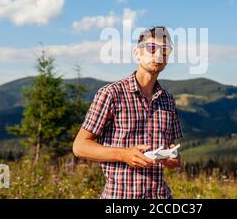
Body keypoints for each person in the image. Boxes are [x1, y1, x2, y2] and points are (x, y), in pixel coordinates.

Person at [73, 26, 183, 199]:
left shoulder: (168, 100)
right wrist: (123, 154)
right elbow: (79, 146)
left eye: (165, 50)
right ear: (136, 53)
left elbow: (170, 145)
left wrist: (173, 157)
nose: (159, 54)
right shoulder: (111, 94)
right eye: (152, 48)